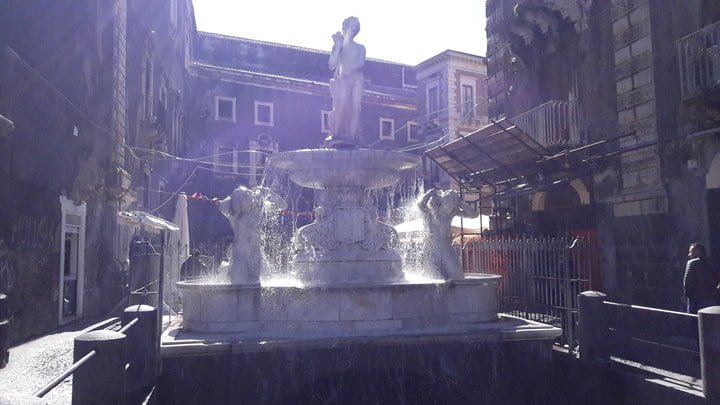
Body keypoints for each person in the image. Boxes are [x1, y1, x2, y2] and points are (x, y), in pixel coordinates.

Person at [327, 16, 366, 145]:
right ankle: (336, 132)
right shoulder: (339, 45)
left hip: (357, 78)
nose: (354, 28)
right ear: (346, 26)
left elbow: (360, 62)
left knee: (356, 107)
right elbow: (332, 64)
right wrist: (338, 45)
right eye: (352, 25)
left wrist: (351, 69)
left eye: (356, 26)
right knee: (342, 102)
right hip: (343, 78)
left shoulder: (360, 48)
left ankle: (351, 135)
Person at [683, 243, 720, 313]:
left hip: (696, 300)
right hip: (713, 300)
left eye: (691, 251)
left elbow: (687, 283)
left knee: (694, 321)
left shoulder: (692, 263)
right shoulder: (713, 263)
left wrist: (689, 295)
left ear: (698, 251)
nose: (689, 254)